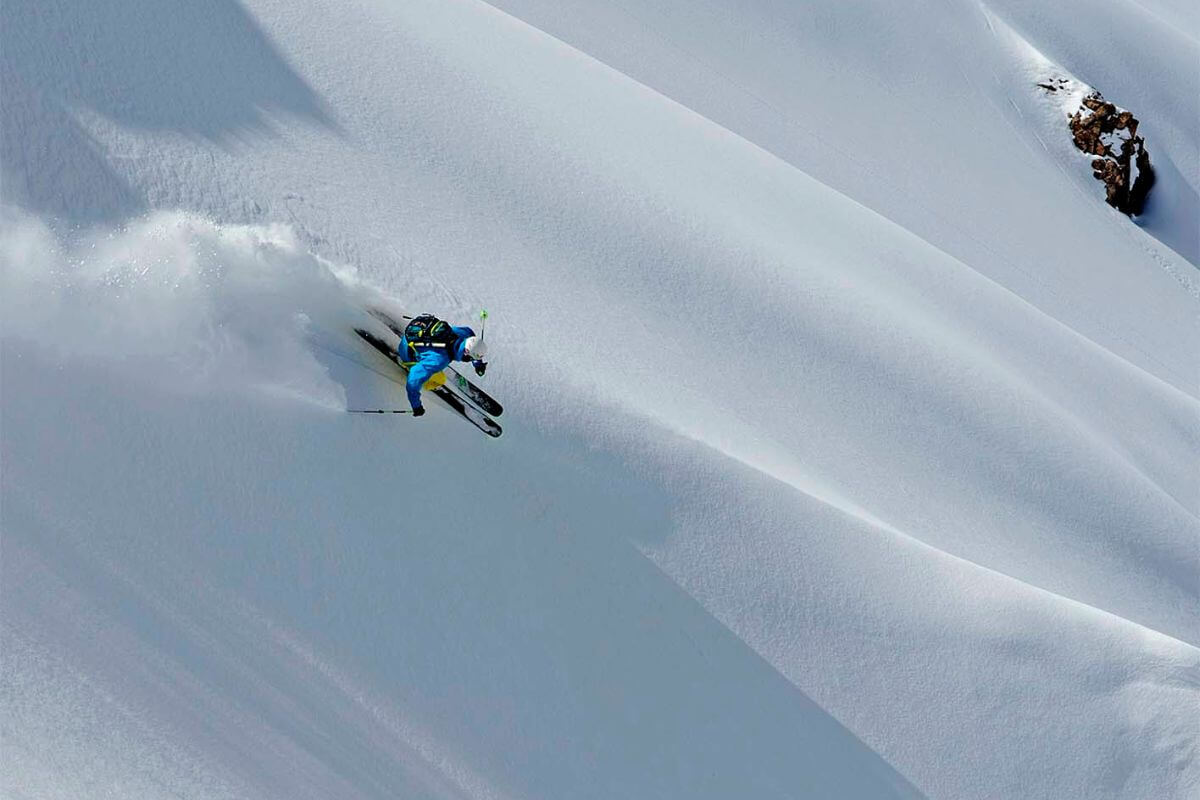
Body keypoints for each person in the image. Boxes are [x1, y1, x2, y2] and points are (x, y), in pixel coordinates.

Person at [398, 314, 488, 417]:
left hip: (415, 337)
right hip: (406, 351)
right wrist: (416, 406)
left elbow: (471, 339)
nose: (468, 360)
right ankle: (433, 384)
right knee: (440, 379)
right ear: (465, 353)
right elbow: (413, 382)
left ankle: (424, 361)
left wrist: (477, 363)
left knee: (430, 365)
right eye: (470, 358)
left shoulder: (464, 334)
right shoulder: (439, 360)